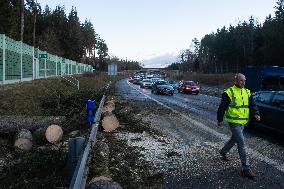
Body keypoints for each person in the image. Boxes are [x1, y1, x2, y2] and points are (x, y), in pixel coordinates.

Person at [217, 73, 260, 178]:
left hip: (243, 122)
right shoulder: (229, 92)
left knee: (234, 139)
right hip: (233, 121)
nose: (243, 82)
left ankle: (223, 151)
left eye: (244, 80)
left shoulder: (247, 92)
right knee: (241, 142)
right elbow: (222, 106)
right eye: (241, 80)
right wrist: (220, 119)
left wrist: (256, 113)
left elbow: (252, 104)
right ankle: (246, 168)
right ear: (236, 81)